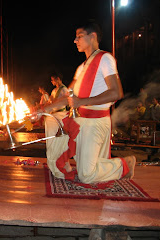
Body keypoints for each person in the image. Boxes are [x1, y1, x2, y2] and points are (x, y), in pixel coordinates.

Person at [37, 20, 136, 184]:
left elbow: (116, 92)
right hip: (81, 120)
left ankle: (125, 164)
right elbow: (66, 98)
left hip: (96, 122)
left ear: (93, 36)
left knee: (86, 176)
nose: (75, 41)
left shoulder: (105, 59)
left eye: (79, 36)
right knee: (52, 121)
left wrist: (82, 101)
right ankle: (66, 168)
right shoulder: (81, 67)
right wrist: (42, 110)